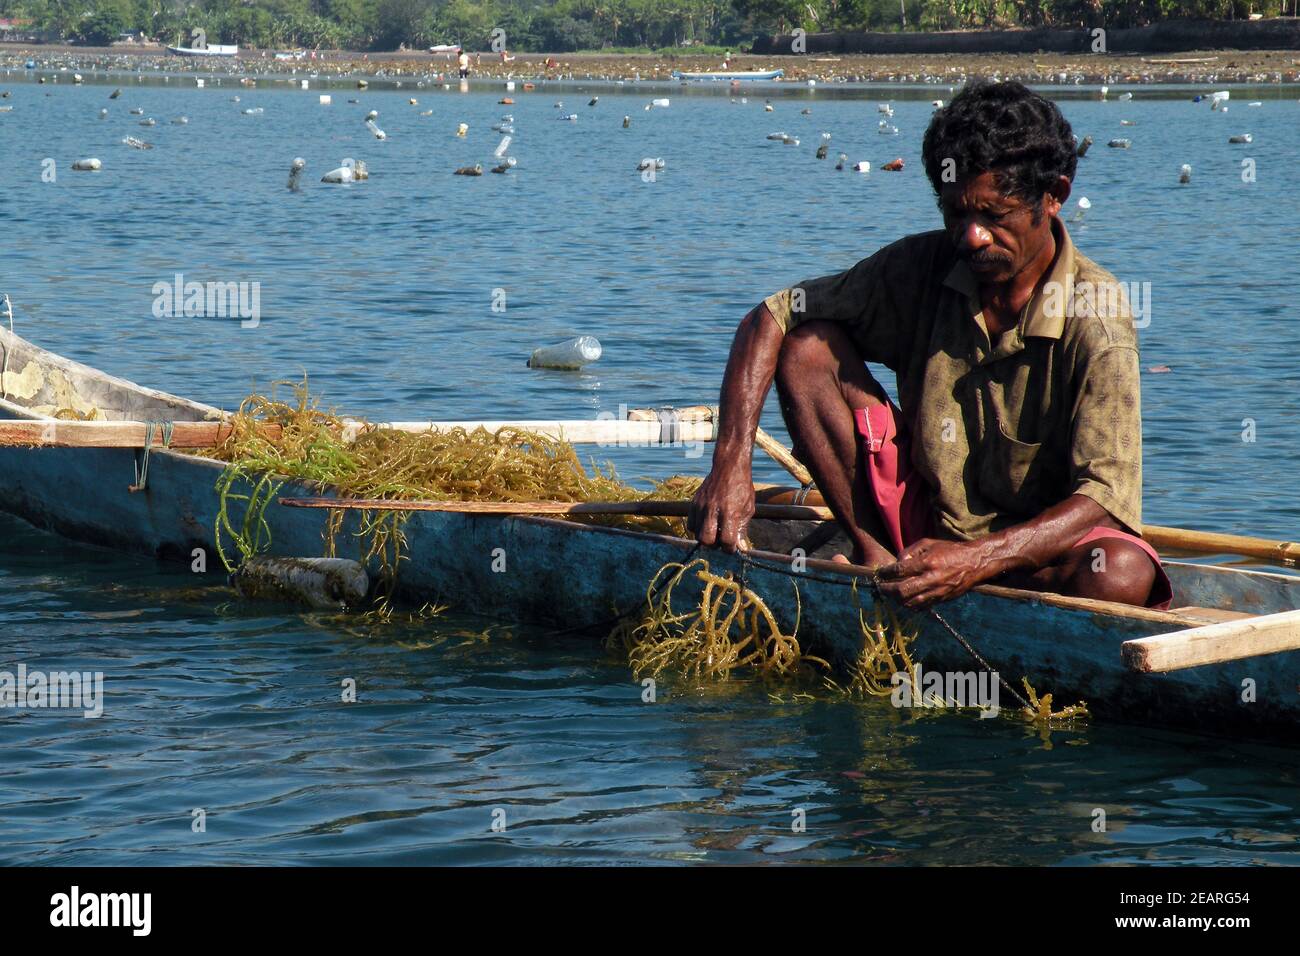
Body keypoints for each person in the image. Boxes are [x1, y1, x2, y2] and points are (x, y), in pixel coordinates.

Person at [688, 79, 1171, 611]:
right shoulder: (922, 266)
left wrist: (978, 560)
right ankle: (875, 553)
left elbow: (1104, 497)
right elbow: (773, 314)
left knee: (1120, 574)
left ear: (1054, 196)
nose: (971, 237)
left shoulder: (1096, 316)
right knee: (807, 346)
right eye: (956, 213)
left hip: (1037, 547)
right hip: (920, 521)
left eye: (994, 216)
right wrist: (731, 466)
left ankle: (971, 588)